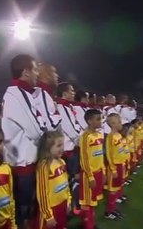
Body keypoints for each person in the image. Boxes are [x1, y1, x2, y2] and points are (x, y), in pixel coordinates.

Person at [1, 54, 45, 228]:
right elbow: (36, 131)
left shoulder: (19, 93)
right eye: (35, 70)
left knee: (23, 210)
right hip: (22, 167)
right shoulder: (18, 94)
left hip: (20, 163)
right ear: (25, 72)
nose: (37, 74)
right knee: (22, 212)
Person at [34, 131, 71, 229]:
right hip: (50, 209)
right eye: (58, 146)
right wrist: (48, 215)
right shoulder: (44, 167)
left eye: (62, 145)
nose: (62, 148)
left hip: (62, 206)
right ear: (48, 147)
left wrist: (68, 201)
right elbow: (42, 194)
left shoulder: (62, 162)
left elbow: (66, 184)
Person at [56, 82, 82, 212]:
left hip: (71, 148)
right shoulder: (61, 108)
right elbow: (71, 130)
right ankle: (72, 206)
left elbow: (76, 126)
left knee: (73, 178)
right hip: (68, 150)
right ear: (64, 93)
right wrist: (81, 142)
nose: (73, 93)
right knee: (71, 179)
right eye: (71, 91)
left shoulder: (67, 107)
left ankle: (73, 204)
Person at [79, 109, 105, 229]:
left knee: (93, 201)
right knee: (88, 202)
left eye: (100, 118)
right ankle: (88, 225)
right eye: (98, 119)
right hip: (89, 175)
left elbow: (100, 155)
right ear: (89, 121)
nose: (100, 121)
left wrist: (103, 171)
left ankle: (87, 221)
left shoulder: (99, 134)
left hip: (99, 173)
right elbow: (84, 158)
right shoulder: (85, 137)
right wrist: (90, 176)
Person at [104, 113, 125, 220]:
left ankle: (113, 208)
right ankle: (109, 212)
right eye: (119, 122)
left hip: (121, 165)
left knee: (117, 188)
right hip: (114, 167)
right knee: (112, 190)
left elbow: (121, 150)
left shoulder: (119, 135)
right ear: (112, 124)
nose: (121, 123)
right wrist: (113, 169)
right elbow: (109, 154)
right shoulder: (110, 137)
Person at [34, 63, 62, 131]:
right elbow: (50, 128)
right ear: (47, 75)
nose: (57, 76)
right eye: (54, 72)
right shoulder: (40, 94)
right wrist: (57, 112)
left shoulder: (47, 93)